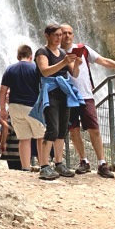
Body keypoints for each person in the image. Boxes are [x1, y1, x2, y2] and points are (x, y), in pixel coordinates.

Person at [60, 23, 115, 179]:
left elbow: (104, 61)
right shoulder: (56, 53)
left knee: (94, 129)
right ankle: (84, 161)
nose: (67, 36)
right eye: (64, 33)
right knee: (74, 130)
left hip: (87, 95)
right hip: (67, 97)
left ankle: (102, 163)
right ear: (58, 35)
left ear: (73, 35)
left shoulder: (83, 49)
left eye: (69, 33)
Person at [31, 24, 81, 181]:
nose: (60, 38)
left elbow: (74, 73)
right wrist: (64, 62)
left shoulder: (63, 53)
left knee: (62, 130)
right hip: (50, 93)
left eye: (61, 35)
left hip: (64, 93)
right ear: (47, 35)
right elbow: (45, 71)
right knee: (52, 129)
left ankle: (59, 163)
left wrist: (77, 64)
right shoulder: (42, 52)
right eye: (56, 35)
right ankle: (44, 166)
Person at [0, 44, 44, 172]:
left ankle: (25, 167)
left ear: (18, 56)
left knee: (24, 138)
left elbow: (3, 90)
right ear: (31, 56)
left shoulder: (10, 69)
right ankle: (43, 165)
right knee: (40, 137)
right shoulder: (36, 68)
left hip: (14, 107)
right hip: (33, 106)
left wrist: (2, 109)